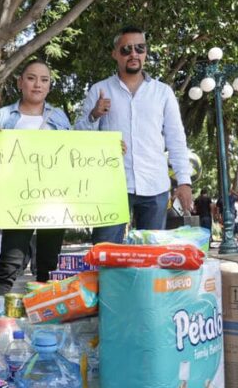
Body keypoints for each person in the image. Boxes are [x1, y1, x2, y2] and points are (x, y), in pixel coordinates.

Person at [75, 26, 193, 242]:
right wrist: (94, 115)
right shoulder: (98, 90)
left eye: (140, 48)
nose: (133, 54)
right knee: (106, 252)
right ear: (115, 54)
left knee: (151, 257)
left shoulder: (163, 92)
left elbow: (176, 139)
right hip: (111, 185)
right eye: (126, 49)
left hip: (154, 185)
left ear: (146, 52)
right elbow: (80, 138)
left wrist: (184, 181)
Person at [0, 59, 70, 296]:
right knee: (9, 265)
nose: (37, 85)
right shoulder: (2, 116)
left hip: (54, 201)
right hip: (17, 201)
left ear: (49, 86)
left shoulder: (60, 118)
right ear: (20, 82)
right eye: (32, 78)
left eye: (44, 80)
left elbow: (73, 155)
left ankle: (46, 321)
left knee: (49, 267)